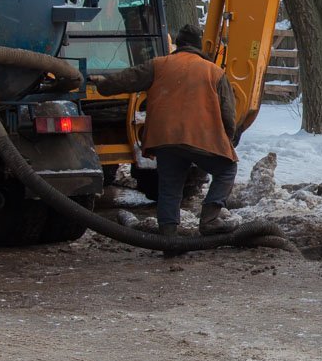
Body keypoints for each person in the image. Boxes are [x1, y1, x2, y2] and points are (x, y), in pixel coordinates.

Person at [90, 23, 241, 242]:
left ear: (177, 44)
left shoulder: (159, 65)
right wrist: (228, 140)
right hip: (200, 137)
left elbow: (128, 78)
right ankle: (210, 220)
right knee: (227, 169)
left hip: (164, 138)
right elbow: (228, 113)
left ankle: (168, 235)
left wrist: (103, 85)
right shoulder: (214, 72)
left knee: (170, 185)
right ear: (199, 47)